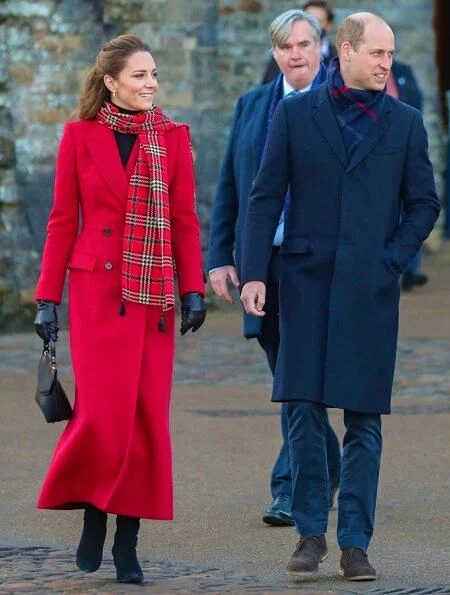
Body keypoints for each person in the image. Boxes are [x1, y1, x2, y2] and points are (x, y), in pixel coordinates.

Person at [240, 12, 440, 581]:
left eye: (390, 53)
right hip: (302, 285)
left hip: (368, 292)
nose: (386, 63)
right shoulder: (297, 115)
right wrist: (254, 271)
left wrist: (389, 259)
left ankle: (355, 543)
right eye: (377, 53)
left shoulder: (404, 124)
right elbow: (264, 194)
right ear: (346, 51)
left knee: (364, 421)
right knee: (302, 411)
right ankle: (309, 535)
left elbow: (424, 202)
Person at [34, 34, 206, 585]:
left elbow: (184, 218)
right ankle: (92, 512)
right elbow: (63, 220)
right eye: (139, 75)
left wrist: (193, 287)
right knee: (103, 415)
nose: (151, 83)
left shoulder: (174, 138)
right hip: (96, 297)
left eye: (154, 74)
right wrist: (46, 296)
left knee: (146, 419)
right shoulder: (79, 137)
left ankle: (127, 538)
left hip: (153, 296)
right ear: (111, 81)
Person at [208, 10, 341, 528]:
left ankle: (290, 486)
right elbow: (231, 188)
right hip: (263, 267)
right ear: (274, 52)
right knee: (287, 377)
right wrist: (221, 256)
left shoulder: (341, 107)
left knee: (297, 379)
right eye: (286, 46)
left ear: (322, 46)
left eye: (305, 44)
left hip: (318, 266)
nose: (296, 54)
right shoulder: (252, 106)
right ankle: (327, 466)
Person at [386, 60, 430, 291]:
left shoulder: (404, 71)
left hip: (405, 149)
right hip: (380, 154)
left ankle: (412, 269)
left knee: (413, 207)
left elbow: (416, 101)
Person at [262, 1, 337, 84]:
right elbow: (269, 86)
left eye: (318, 21)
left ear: (329, 26)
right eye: (308, 20)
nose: (312, 25)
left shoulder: (338, 58)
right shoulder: (283, 53)